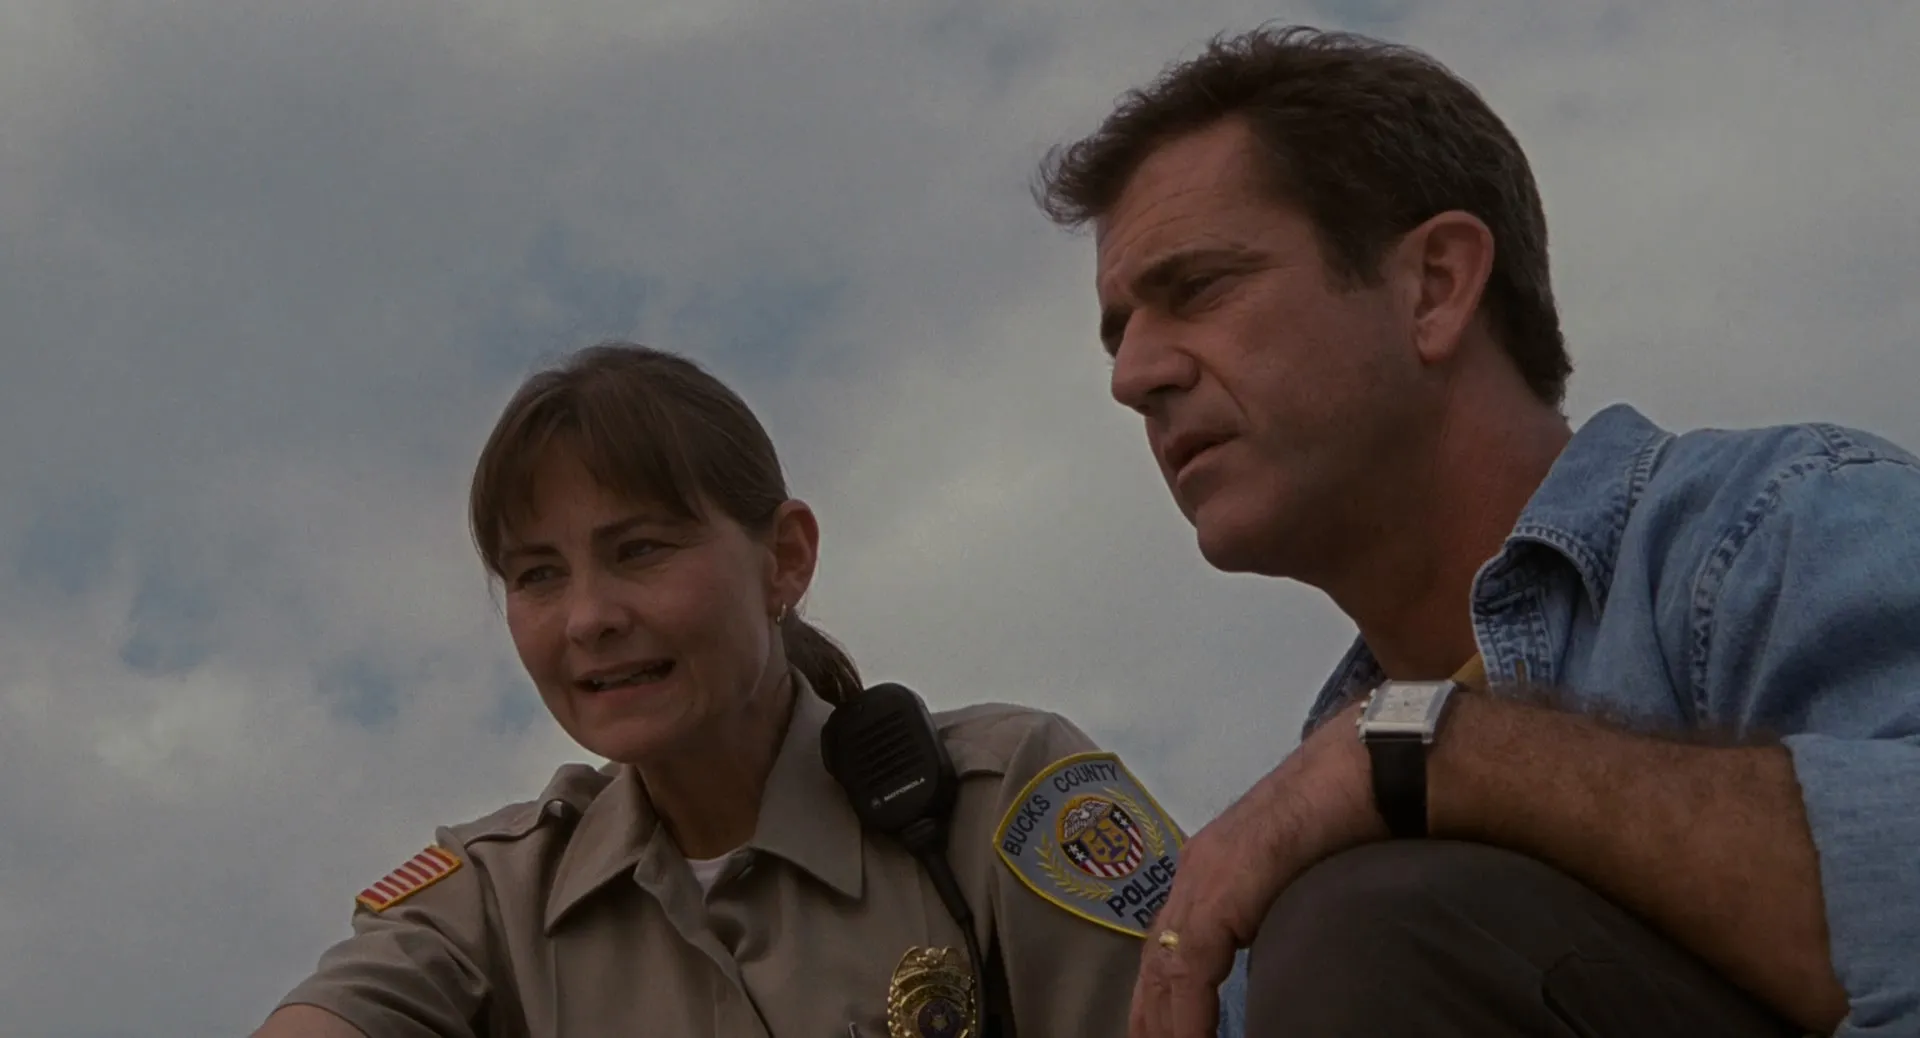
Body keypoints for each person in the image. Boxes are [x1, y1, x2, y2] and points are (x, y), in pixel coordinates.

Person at [1030, 24, 1918, 1038]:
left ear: (1437, 286)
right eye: (1119, 334)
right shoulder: (1270, 872)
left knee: (1367, 927)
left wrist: (1432, 756)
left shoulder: (1780, 525)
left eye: (1197, 288)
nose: (1133, 376)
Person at [253, 343, 1244, 1037]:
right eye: (537, 575)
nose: (588, 617)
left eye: (640, 551)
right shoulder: (494, 901)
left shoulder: (1002, 803)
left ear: (785, 557)